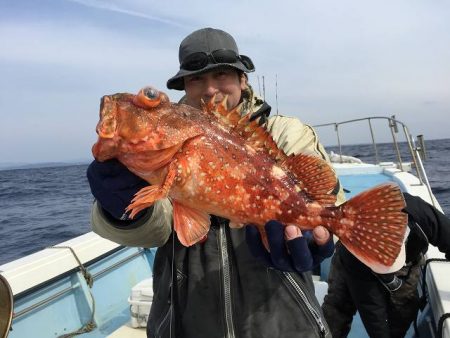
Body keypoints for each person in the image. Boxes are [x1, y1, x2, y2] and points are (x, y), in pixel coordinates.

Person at [87, 27, 344, 338]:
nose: (210, 90)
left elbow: (327, 201)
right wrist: (122, 211)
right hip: (186, 322)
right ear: (185, 86)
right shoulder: (170, 140)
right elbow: (160, 229)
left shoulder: (285, 132)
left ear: (242, 80)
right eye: (196, 79)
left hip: (281, 322)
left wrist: (316, 236)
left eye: (221, 75)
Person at [322, 192, 450, 338]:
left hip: (408, 260)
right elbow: (371, 307)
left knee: (404, 309)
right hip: (354, 256)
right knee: (338, 307)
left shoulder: (421, 214)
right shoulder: (356, 258)